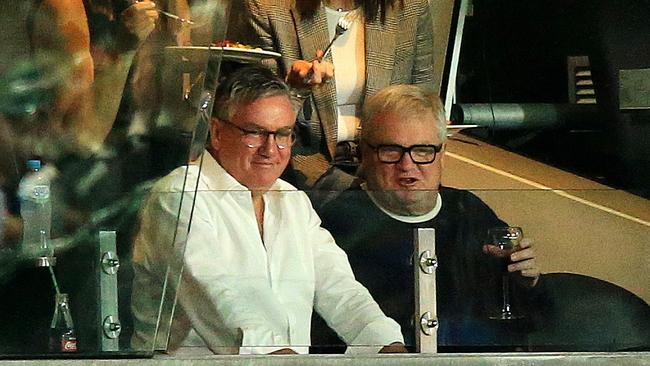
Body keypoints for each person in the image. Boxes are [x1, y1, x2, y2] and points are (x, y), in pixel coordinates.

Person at [130, 65, 405, 355]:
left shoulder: (293, 201)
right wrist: (284, 361)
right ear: (217, 133)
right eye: (255, 133)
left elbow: (341, 290)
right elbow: (221, 301)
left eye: (283, 134)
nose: (271, 149)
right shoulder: (178, 196)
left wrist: (388, 346)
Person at [314, 85, 541, 351]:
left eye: (422, 150)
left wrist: (528, 282)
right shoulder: (335, 224)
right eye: (391, 150)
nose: (407, 165)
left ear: (442, 155)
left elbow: (530, 321)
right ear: (365, 154)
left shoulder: (468, 211)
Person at [238, 0, 435, 192]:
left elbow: (422, 106)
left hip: (388, 165)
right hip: (308, 164)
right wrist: (296, 91)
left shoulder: (410, 8)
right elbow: (254, 117)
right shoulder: (268, 8)